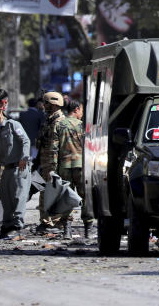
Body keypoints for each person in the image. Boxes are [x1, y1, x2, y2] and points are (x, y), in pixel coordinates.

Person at [0, 89, 31, 239]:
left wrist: (24, 158)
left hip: (19, 167)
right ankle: (7, 227)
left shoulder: (13, 124)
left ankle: (17, 225)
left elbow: (26, 141)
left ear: (2, 106)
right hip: (6, 169)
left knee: (18, 197)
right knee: (6, 200)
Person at [36, 91, 72, 236]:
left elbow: (57, 146)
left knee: (55, 191)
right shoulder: (48, 120)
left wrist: (54, 166)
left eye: (46, 103)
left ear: (53, 105)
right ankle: (46, 221)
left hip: (54, 163)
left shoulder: (60, 122)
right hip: (46, 162)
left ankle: (56, 222)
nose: (43, 106)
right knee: (45, 191)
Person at [61, 99, 94, 238]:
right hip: (81, 166)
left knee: (66, 197)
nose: (82, 113)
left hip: (64, 166)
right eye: (81, 110)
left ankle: (67, 231)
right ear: (75, 110)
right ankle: (88, 229)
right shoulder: (83, 127)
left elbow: (53, 147)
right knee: (86, 197)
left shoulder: (60, 124)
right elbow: (91, 147)